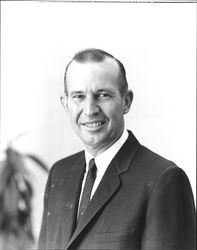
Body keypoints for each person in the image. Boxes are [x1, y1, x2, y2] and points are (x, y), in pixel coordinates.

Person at [38, 49, 196, 250]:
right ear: (65, 103)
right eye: (78, 96)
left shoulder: (163, 179)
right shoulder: (59, 174)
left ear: (126, 102)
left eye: (103, 95)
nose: (90, 109)